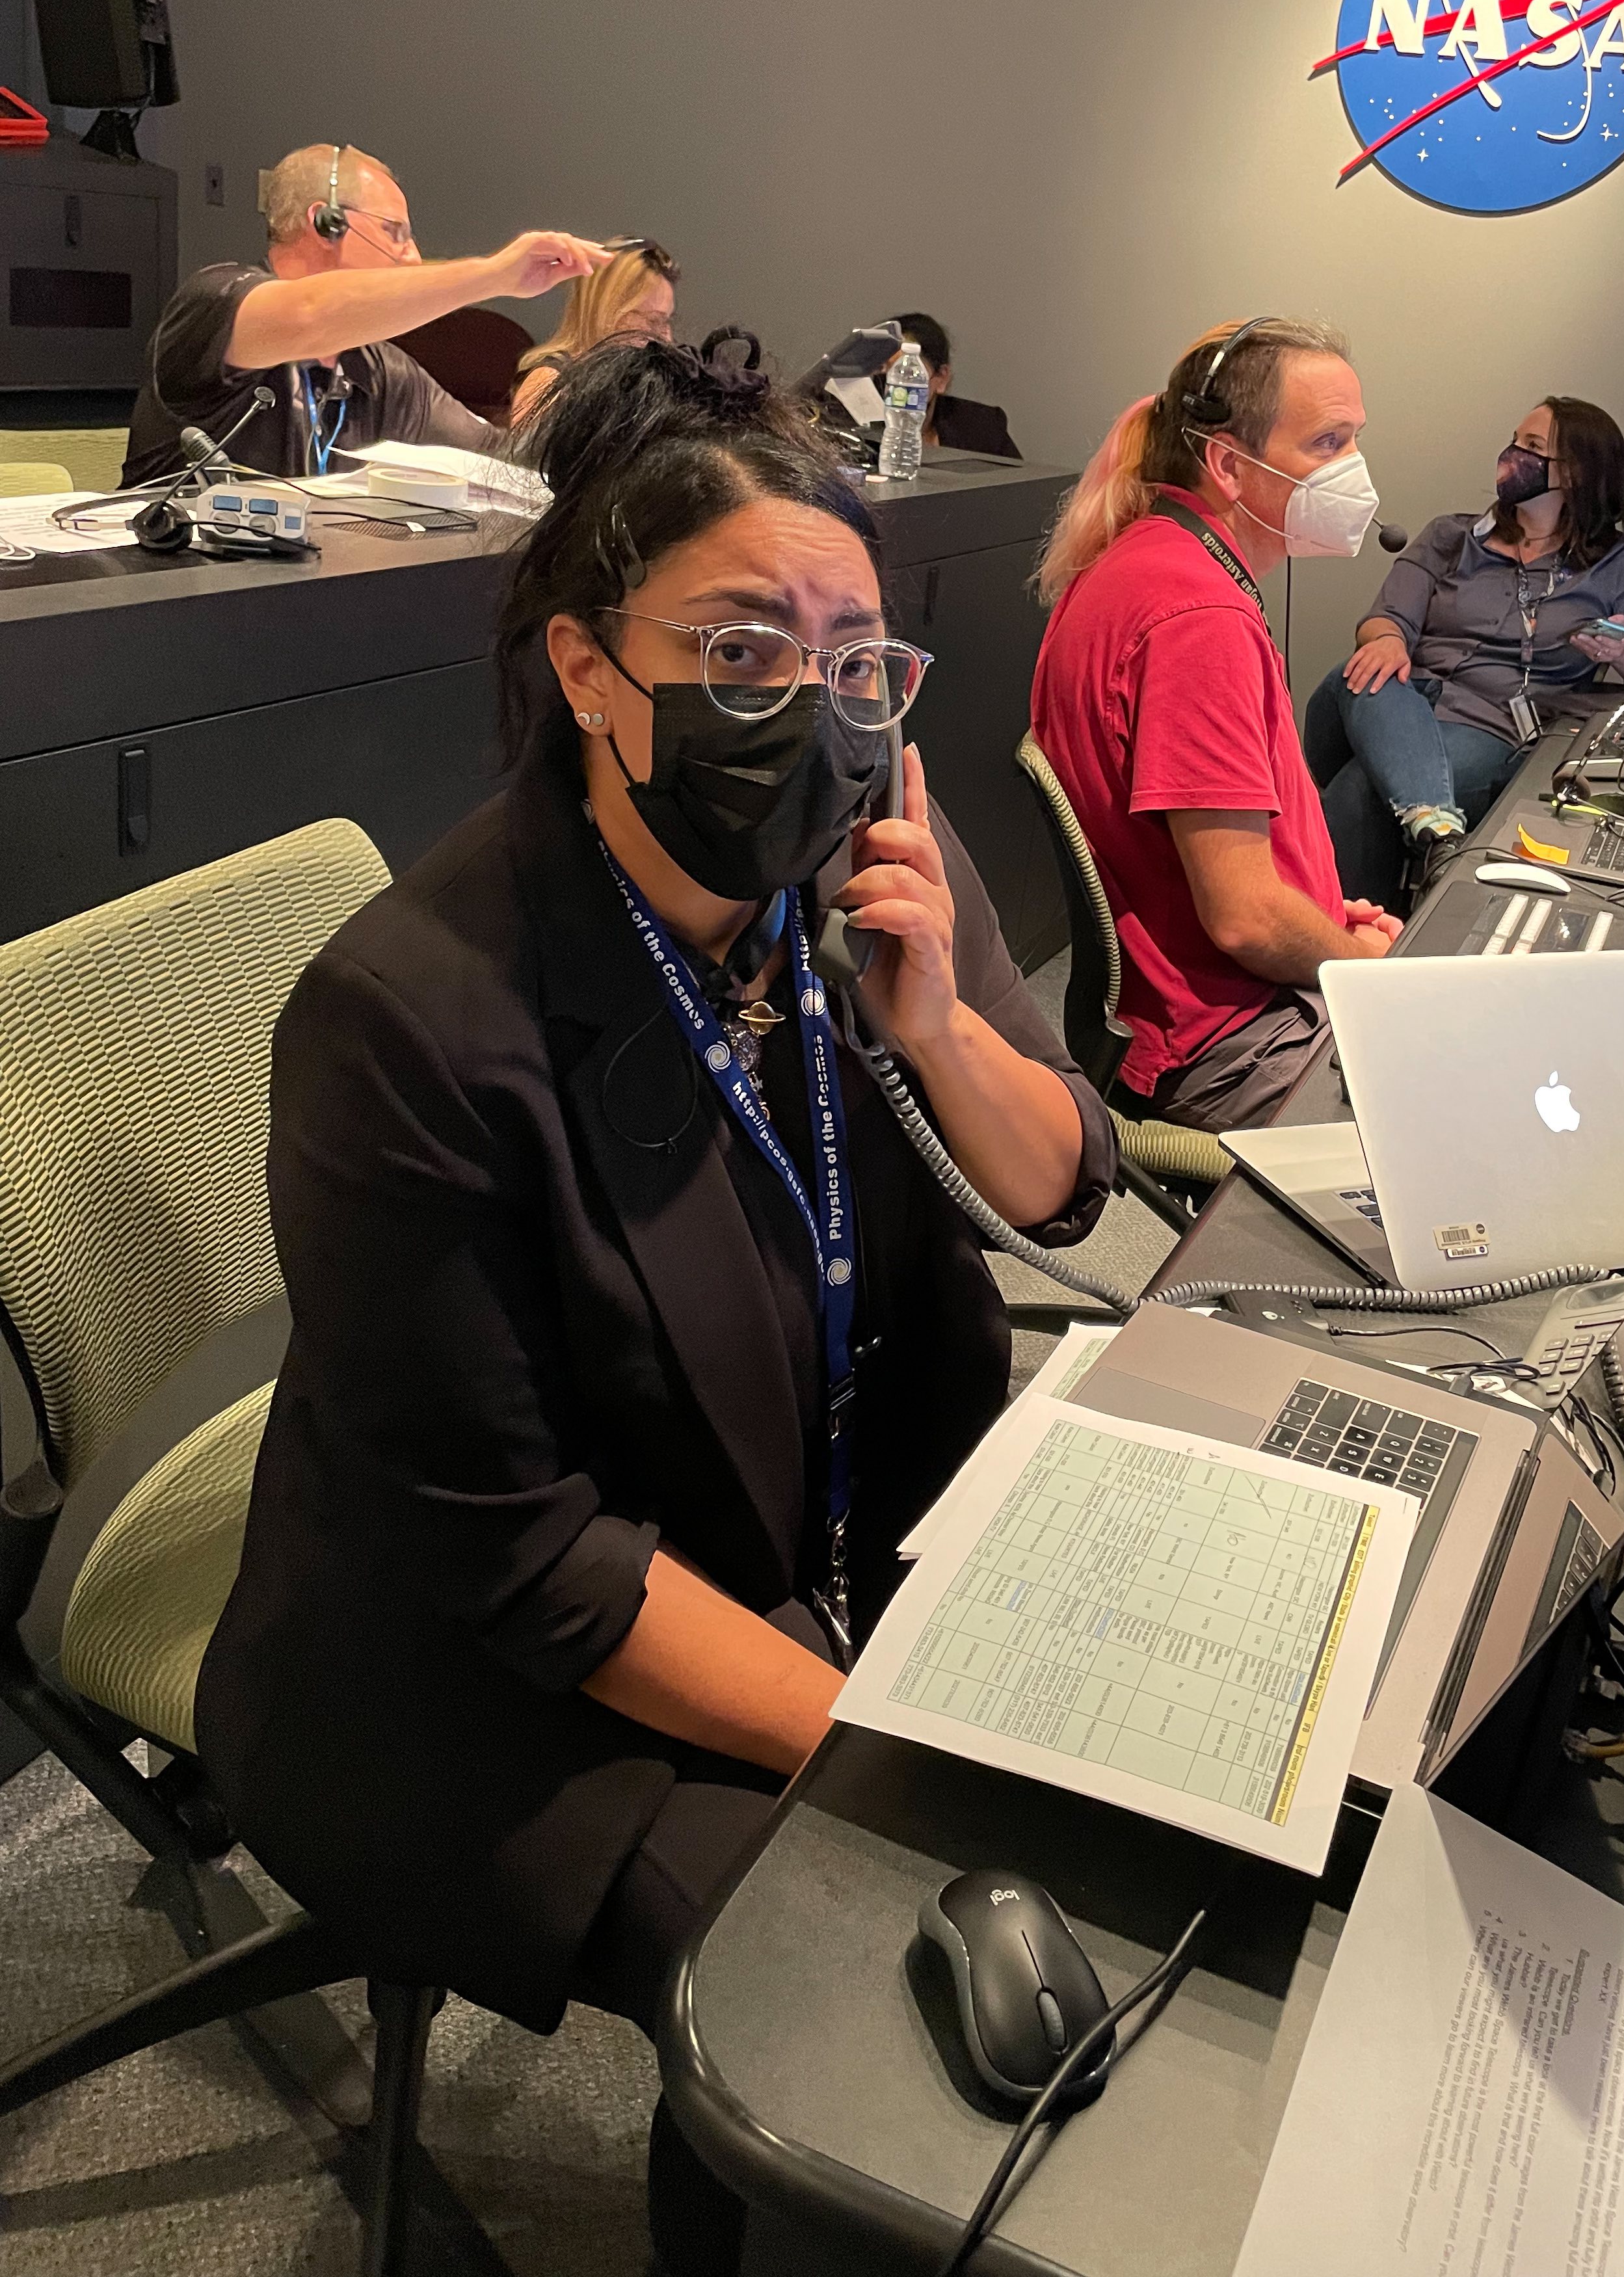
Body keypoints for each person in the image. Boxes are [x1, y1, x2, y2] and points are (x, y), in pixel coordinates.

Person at [194, 340, 1113, 2271]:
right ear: (589, 672)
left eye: (853, 658)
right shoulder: (411, 1019)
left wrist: (934, 1025)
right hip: (490, 1678)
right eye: (742, 651)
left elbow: (1060, 1184)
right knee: (845, 2003)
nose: (812, 707)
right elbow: (531, 1567)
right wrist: (894, 1749)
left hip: (802, 1532)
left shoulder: (871, 861)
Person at [1030, 317, 1398, 1136]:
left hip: (1205, 1011)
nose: (1355, 473)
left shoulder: (1143, 558)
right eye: (1327, 443)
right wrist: (1359, 966)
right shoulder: (1198, 616)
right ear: (1231, 465)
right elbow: (1245, 917)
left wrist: (1328, 922)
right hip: (1231, 1042)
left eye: (1355, 440)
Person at [1303, 397, 1624, 909]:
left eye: (1534, 448)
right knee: (1363, 672)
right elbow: (1386, 620)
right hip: (1393, 699)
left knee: (1361, 789)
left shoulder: (1616, 571)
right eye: (1516, 440)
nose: (1513, 454)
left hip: (1490, 726)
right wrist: (1386, 638)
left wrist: (1622, 650)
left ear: (1579, 474)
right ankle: (1436, 826)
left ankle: (1353, 937)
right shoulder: (1449, 537)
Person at [122, 142, 609, 484]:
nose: (413, 256)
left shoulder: (378, 371)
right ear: (325, 222)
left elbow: (502, 460)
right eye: (395, 231)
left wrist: (608, 410)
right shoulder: (212, 302)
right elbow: (311, 314)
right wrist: (495, 275)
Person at [508, 235, 682, 426]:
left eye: (666, 322)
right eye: (653, 321)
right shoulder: (549, 384)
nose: (666, 338)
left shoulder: (656, 386)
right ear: (606, 312)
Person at [887, 311, 1022, 458]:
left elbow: (1025, 480)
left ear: (941, 379)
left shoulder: (983, 426)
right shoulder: (863, 433)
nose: (895, 387)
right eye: (884, 375)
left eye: (907, 375)